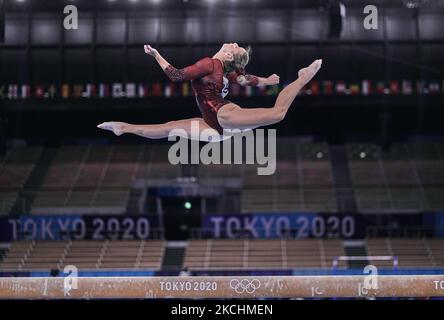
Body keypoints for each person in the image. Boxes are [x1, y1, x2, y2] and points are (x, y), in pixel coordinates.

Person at [98, 43, 322, 142]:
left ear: (228, 56)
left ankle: (303, 77)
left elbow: (176, 76)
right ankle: (123, 128)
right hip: (212, 126)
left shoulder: (212, 64)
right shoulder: (223, 68)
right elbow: (246, 79)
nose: (233, 43)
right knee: (167, 128)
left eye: (236, 47)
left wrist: (156, 55)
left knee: (277, 114)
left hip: (224, 116)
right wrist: (266, 80)